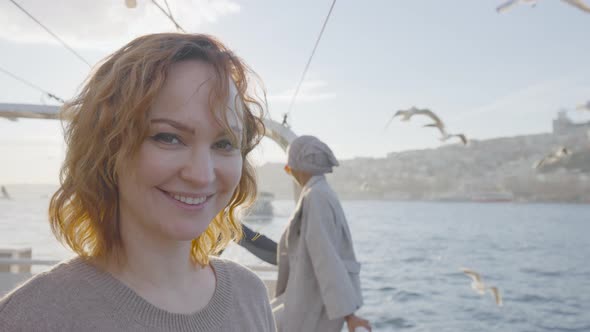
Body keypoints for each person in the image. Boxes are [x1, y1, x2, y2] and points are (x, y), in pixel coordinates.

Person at [0, 33, 276, 332]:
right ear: (108, 149)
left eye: (224, 143)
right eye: (168, 138)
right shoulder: (34, 316)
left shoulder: (250, 295)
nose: (202, 174)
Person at [272, 135, 371, 332]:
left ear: (297, 165)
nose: (287, 170)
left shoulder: (315, 196)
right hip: (313, 300)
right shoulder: (320, 192)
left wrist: (349, 314)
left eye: (289, 164)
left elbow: (325, 256)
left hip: (313, 306)